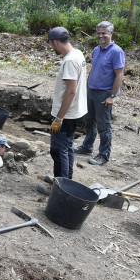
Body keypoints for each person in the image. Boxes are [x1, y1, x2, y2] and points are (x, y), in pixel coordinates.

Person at [38, 27, 87, 195]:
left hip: (67, 114)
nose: (53, 48)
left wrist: (59, 117)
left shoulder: (69, 61)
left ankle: (58, 188)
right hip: (74, 112)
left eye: (52, 45)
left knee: (58, 151)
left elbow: (71, 91)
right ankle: (65, 180)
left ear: (55, 42)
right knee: (67, 147)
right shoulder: (78, 53)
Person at [75, 21, 126, 166]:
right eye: (98, 33)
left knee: (104, 126)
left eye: (104, 33)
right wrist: (86, 88)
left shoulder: (116, 52)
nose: (101, 36)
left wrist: (112, 96)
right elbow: (94, 69)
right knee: (89, 121)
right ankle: (87, 147)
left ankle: (103, 155)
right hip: (92, 91)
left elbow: (119, 75)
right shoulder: (97, 50)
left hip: (104, 94)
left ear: (111, 33)